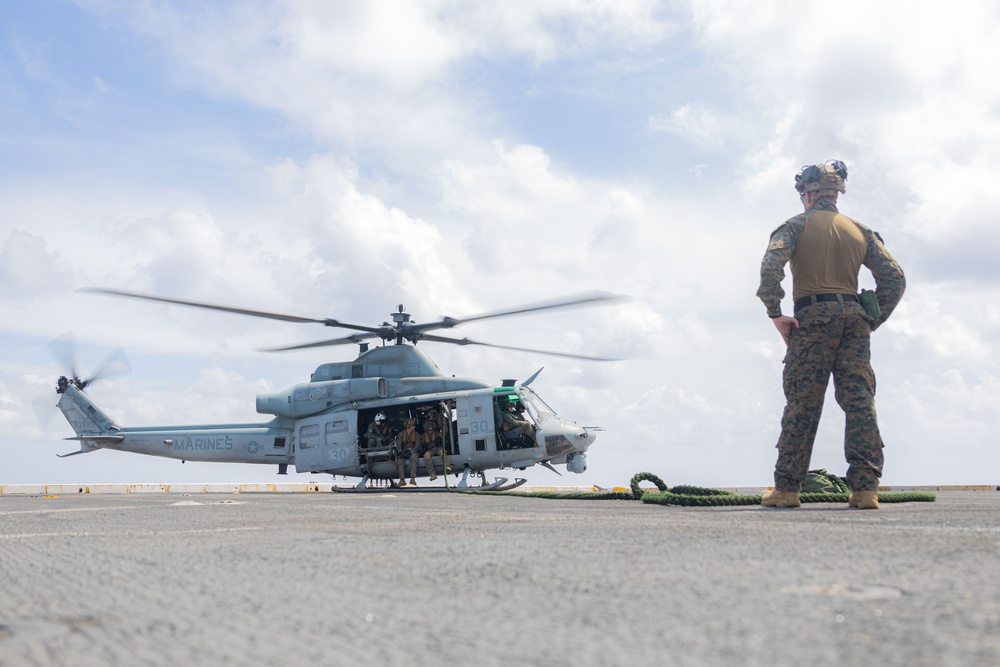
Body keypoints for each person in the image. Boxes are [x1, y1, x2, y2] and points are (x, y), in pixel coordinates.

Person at [757, 160, 905, 510]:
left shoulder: (794, 226)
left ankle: (787, 489)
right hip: (855, 320)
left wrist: (776, 313)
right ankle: (866, 489)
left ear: (805, 194)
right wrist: (872, 319)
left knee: (803, 403)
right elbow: (895, 279)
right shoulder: (860, 231)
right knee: (859, 400)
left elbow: (770, 266)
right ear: (837, 194)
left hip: (813, 318)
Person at [419, 409, 450, 481]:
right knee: (426, 456)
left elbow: (444, 432)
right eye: (429, 430)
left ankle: (447, 467)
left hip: (437, 448)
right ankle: (432, 474)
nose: (431, 431)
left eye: (432, 430)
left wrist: (441, 439)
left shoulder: (437, 432)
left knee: (442, 452)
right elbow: (421, 442)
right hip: (430, 449)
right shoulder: (424, 436)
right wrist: (423, 445)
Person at [396, 418, 420, 487]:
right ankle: (402, 480)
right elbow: (398, 444)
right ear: (408, 426)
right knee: (400, 460)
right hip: (404, 452)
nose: (414, 427)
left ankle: (412, 479)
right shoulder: (401, 434)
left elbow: (418, 445)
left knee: (414, 458)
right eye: (412, 425)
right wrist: (400, 452)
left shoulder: (416, 434)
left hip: (413, 452)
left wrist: (412, 451)